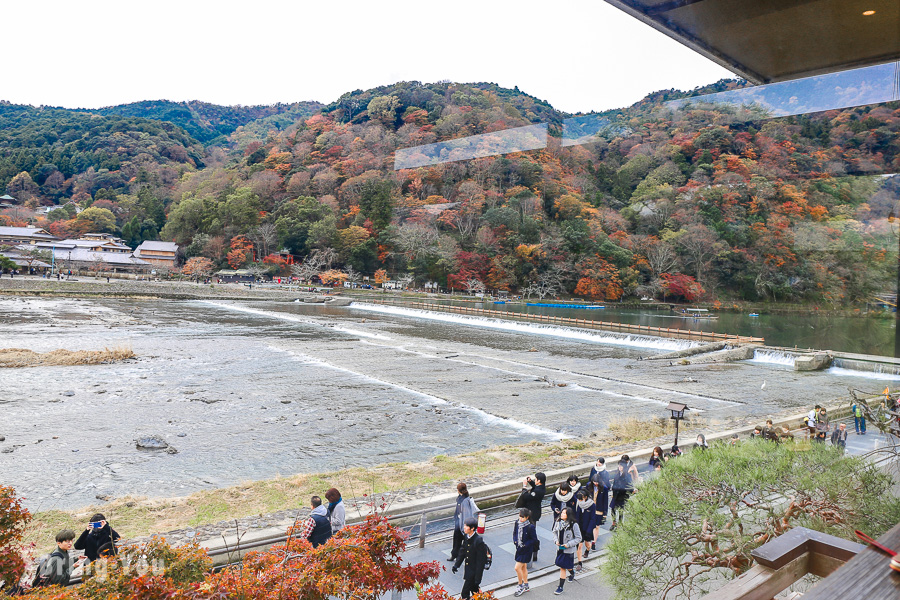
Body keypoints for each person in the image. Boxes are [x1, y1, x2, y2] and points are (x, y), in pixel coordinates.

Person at [452, 518, 488, 600]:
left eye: (466, 526)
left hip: (474, 572)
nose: (464, 527)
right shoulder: (466, 536)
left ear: (472, 528)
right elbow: (462, 552)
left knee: (465, 593)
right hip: (468, 570)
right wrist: (456, 565)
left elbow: (480, 561)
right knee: (475, 591)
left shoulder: (478, 541)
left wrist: (478, 579)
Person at [552, 507, 582, 595]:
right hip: (560, 548)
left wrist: (568, 544)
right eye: (561, 513)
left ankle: (560, 587)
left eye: (564, 513)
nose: (562, 515)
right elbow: (554, 532)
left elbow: (578, 538)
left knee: (562, 567)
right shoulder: (558, 522)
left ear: (568, 515)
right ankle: (572, 572)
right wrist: (556, 541)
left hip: (568, 550)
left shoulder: (573, 525)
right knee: (565, 566)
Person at [449, 483, 479, 563]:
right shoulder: (464, 498)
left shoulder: (464, 500)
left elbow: (465, 514)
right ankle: (456, 555)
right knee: (460, 540)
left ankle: (457, 556)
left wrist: (464, 526)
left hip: (462, 523)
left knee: (461, 541)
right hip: (460, 522)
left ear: (458, 490)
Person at [513, 508, 537, 596]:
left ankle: (520, 585)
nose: (520, 518)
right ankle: (526, 584)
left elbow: (534, 539)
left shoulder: (530, 527)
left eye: (523, 517)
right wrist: (515, 541)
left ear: (527, 517)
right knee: (523, 567)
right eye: (520, 516)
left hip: (526, 550)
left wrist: (524, 545)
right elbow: (515, 533)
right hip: (519, 548)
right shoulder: (517, 523)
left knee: (517, 568)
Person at [574, 490, 598, 570]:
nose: (580, 501)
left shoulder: (592, 505)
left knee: (588, 544)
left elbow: (593, 518)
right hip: (579, 527)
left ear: (585, 497)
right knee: (579, 545)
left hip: (587, 528)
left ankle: (587, 550)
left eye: (581, 499)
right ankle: (579, 562)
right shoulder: (578, 504)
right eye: (579, 499)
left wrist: (589, 530)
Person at [609, 458, 636, 530]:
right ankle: (614, 522)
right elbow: (614, 482)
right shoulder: (617, 473)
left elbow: (630, 486)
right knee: (612, 509)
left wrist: (627, 494)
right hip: (615, 495)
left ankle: (619, 525)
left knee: (621, 511)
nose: (619, 468)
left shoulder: (627, 475)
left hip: (622, 496)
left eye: (621, 466)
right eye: (619, 466)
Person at [588, 458, 609, 534]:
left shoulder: (605, 472)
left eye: (600, 463)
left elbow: (605, 501)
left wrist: (605, 514)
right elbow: (590, 479)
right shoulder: (593, 469)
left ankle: (594, 540)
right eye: (598, 462)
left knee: (597, 525)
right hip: (592, 499)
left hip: (599, 499)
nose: (598, 463)